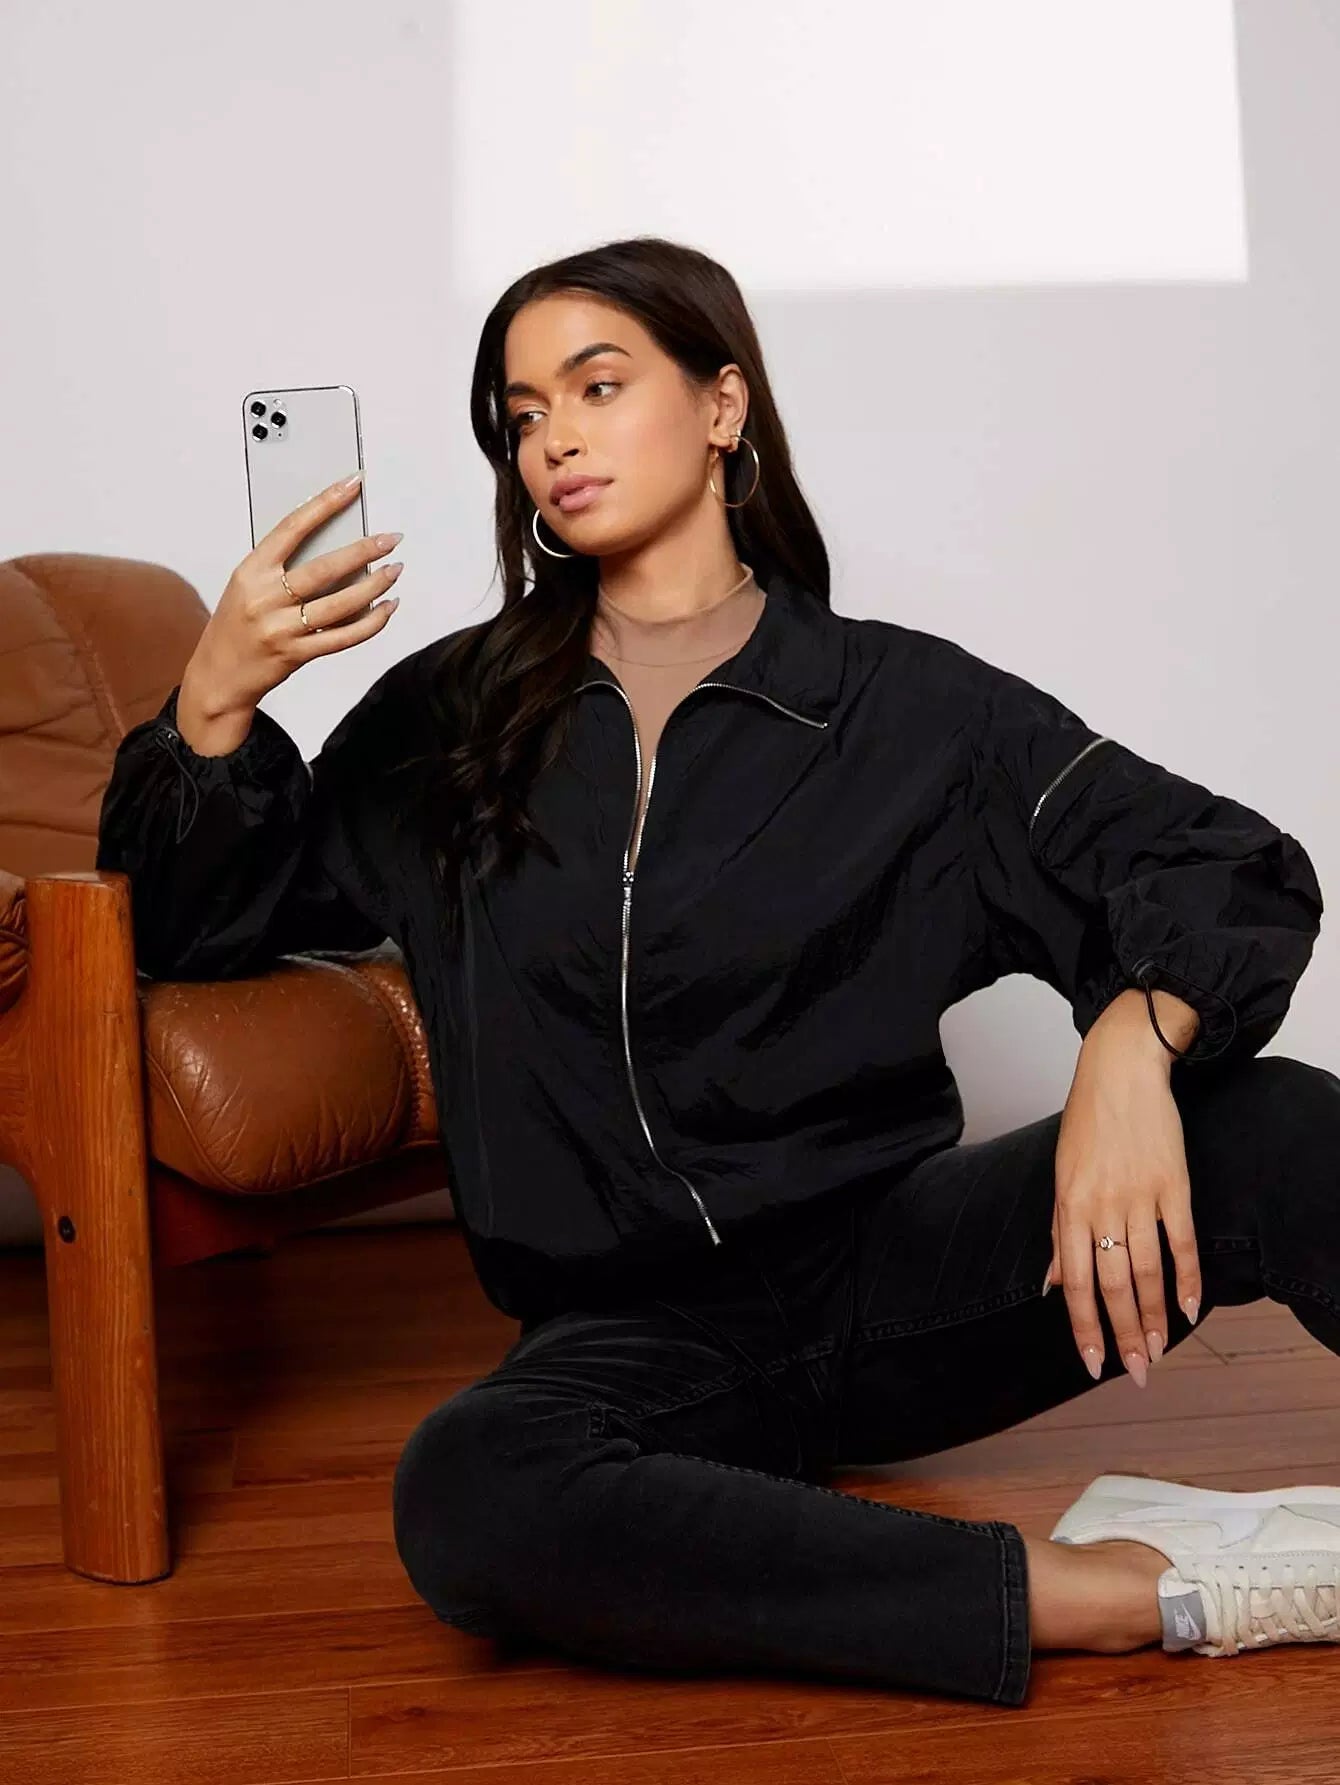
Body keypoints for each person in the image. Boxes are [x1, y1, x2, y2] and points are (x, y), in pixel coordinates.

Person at [95, 235, 1339, 1707]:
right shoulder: (454, 721)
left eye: (596, 385)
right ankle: (1118, 1590)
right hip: (633, 1346)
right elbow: (197, 929)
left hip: (896, 1285)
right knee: (471, 1486)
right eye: (522, 413)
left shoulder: (899, 707)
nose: (553, 438)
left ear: (723, 405)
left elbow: (1222, 863)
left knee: (1277, 1124)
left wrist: (1132, 1045)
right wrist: (217, 699)